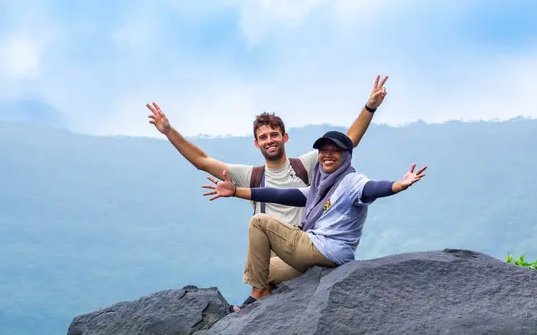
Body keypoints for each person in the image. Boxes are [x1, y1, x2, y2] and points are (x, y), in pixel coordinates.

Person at [202, 130, 427, 312]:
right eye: (323, 150)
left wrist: (398, 185)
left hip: (325, 250)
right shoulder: (320, 187)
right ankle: (264, 289)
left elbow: (373, 188)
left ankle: (258, 295)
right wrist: (235, 191)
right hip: (319, 254)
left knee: (260, 222)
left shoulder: (352, 181)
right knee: (263, 269)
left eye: (335, 151)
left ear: (346, 155)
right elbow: (280, 195)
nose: (327, 155)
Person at [146, 75, 389, 230]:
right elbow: (201, 161)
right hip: (271, 250)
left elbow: (348, 141)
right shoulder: (249, 177)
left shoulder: (306, 165)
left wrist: (370, 108)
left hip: (305, 242)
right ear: (256, 144)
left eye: (274, 135)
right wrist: (169, 131)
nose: (269, 141)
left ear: (285, 137)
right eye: (263, 137)